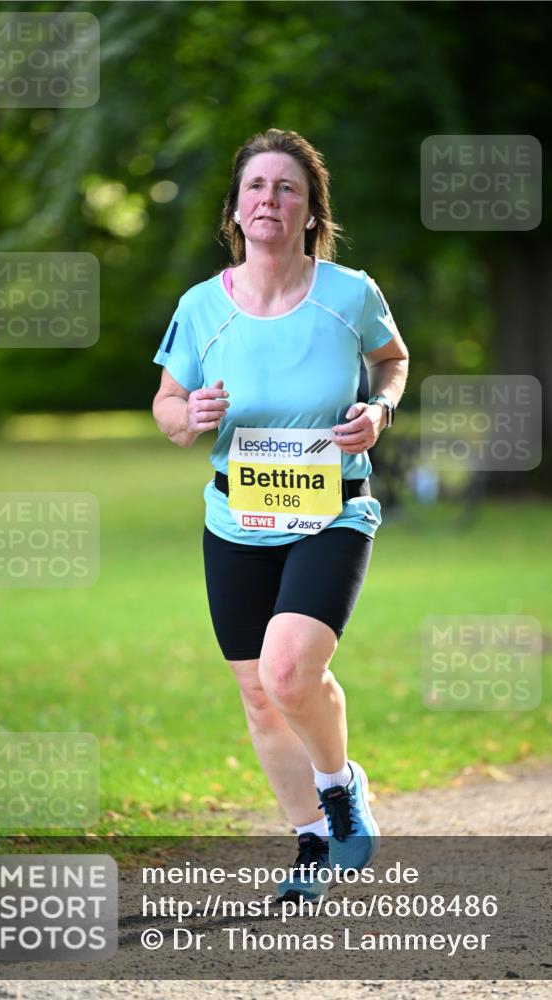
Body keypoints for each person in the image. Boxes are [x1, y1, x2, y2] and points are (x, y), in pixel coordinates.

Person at [152, 128, 409, 901]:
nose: (270, 199)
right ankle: (309, 844)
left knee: (291, 670)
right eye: (256, 186)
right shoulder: (202, 307)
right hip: (236, 519)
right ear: (235, 208)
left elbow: (392, 362)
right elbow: (165, 408)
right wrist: (189, 413)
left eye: (286, 188)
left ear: (308, 211)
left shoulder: (349, 294)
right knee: (258, 695)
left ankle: (340, 786)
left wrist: (379, 409)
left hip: (330, 510)